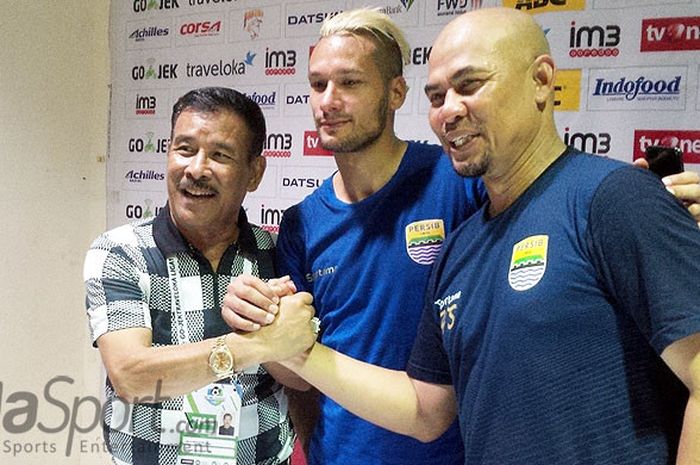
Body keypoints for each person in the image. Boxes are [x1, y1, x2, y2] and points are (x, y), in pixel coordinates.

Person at [223, 8, 700, 465]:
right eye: (436, 97)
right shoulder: (458, 246)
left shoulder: (602, 196)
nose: (449, 111)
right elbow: (424, 409)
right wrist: (284, 341)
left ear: (541, 81)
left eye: (469, 85)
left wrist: (654, 206)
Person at [224, 8, 485, 465]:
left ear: (396, 92)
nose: (328, 100)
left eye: (350, 83)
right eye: (318, 83)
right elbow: (299, 374)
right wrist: (256, 327)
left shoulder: (458, 181)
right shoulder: (301, 222)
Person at [83, 87, 318, 465]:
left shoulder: (276, 251)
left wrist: (280, 335)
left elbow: (302, 379)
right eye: (185, 149)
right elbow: (131, 375)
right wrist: (254, 345)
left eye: (220, 155)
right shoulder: (120, 251)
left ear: (254, 173)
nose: (196, 169)